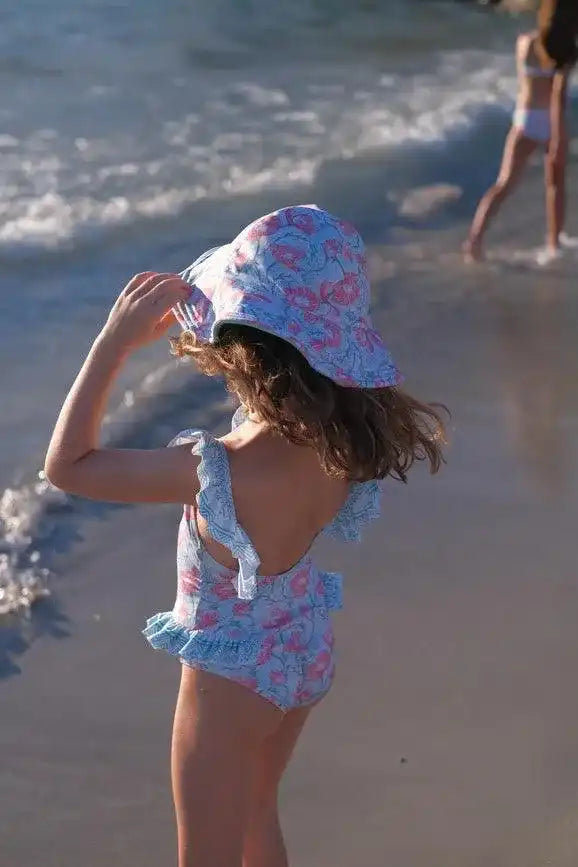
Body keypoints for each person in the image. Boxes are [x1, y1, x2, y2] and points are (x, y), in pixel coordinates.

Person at [45, 205, 446, 867]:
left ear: (242, 345)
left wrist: (111, 344)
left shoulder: (220, 469)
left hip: (229, 682)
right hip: (303, 651)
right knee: (258, 811)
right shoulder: (342, 441)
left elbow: (69, 466)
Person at [464, 4, 577, 262]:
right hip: (550, 122)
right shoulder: (564, 54)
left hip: (524, 118)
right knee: (555, 185)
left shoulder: (525, 42)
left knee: (503, 183)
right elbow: (558, 100)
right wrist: (560, 138)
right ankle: (553, 242)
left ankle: (474, 240)